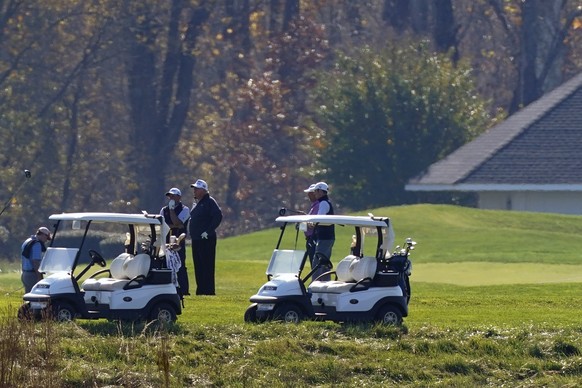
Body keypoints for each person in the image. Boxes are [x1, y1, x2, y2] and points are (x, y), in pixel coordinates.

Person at [189, 179, 223, 295]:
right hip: (197, 239)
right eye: (194, 188)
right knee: (198, 265)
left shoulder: (209, 202)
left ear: (203, 190)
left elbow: (218, 216)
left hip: (206, 239)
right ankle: (201, 290)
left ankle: (208, 291)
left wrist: (208, 231)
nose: (194, 191)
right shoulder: (197, 202)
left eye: (197, 189)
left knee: (207, 265)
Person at [160, 187, 190, 297]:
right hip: (166, 242)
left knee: (180, 265)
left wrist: (172, 211)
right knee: (167, 264)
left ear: (179, 197)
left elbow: (178, 223)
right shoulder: (164, 210)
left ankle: (184, 290)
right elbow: (162, 225)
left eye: (173, 196)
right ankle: (169, 289)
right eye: (170, 196)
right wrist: (172, 224)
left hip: (178, 241)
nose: (171, 198)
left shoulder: (185, 209)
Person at [312, 181, 335, 281]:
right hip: (326, 237)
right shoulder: (325, 202)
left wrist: (312, 223)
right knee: (323, 262)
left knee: (318, 262)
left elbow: (319, 218)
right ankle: (324, 282)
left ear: (321, 191)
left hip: (325, 237)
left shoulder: (324, 203)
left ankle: (316, 283)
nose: (315, 194)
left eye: (316, 191)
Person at [21, 226, 51, 292]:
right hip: (32, 275)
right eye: (46, 237)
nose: (46, 240)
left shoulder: (27, 241)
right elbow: (35, 262)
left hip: (25, 274)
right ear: (42, 235)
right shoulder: (37, 244)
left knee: (28, 296)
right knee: (35, 297)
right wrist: (39, 277)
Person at [303, 183, 319, 266]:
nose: (308, 195)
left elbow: (314, 223)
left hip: (314, 238)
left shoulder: (318, 206)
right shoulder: (314, 206)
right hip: (310, 239)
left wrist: (304, 222)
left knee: (315, 264)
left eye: (310, 193)